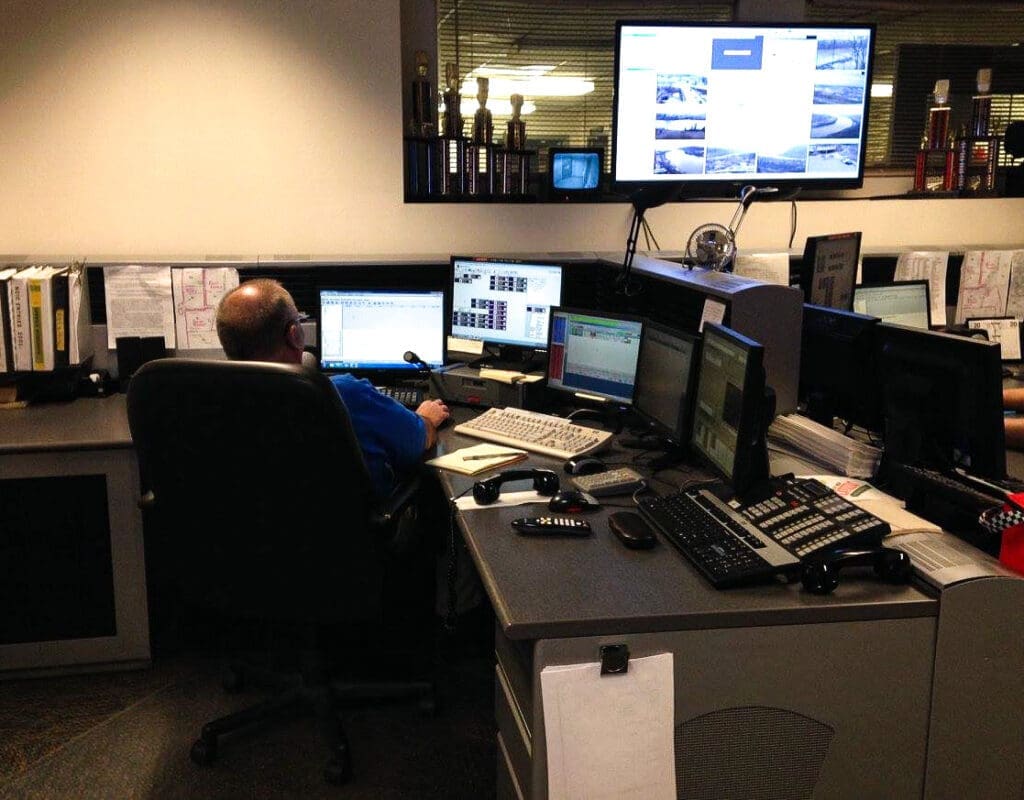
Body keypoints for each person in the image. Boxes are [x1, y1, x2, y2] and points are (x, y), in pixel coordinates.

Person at [215, 278, 450, 497]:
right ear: (295, 336)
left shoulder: (214, 404)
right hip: (354, 534)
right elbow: (417, 441)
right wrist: (425, 419)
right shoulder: (341, 393)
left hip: (259, 533)